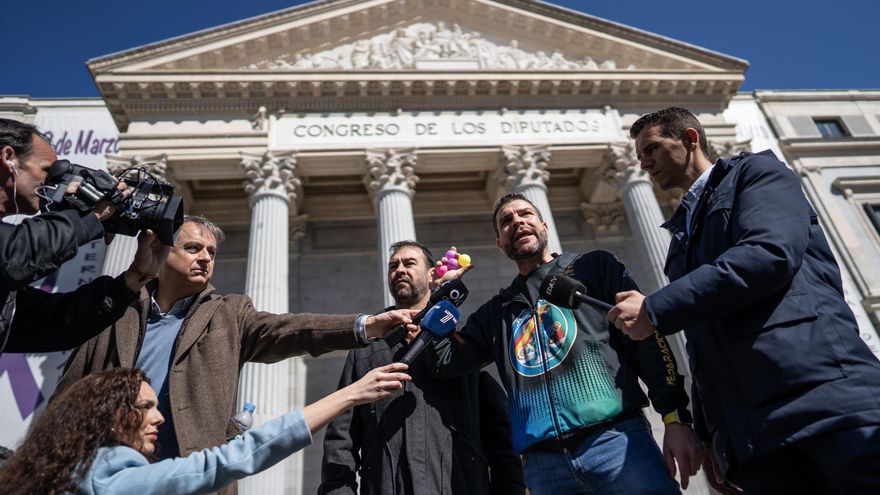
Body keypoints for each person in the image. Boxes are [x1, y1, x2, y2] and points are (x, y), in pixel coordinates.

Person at [611, 106, 880, 495]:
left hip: (825, 403)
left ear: (690, 139)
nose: (644, 162)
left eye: (651, 148)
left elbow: (768, 255)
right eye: (638, 156)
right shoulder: (680, 241)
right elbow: (703, 343)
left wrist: (655, 308)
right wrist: (712, 435)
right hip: (758, 438)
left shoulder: (757, 174)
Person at [52, 215, 416, 481]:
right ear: (162, 252)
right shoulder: (114, 307)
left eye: (211, 252)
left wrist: (366, 325)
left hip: (193, 473)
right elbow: (69, 393)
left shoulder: (228, 313)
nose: (206, 258)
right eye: (193, 248)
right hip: (108, 468)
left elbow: (292, 329)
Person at [427, 193, 703, 495]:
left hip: (618, 442)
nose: (517, 222)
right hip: (543, 466)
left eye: (525, 214)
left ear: (543, 225)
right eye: (506, 221)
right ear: (499, 244)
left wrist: (675, 417)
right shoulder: (497, 313)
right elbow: (445, 360)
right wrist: (442, 295)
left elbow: (647, 342)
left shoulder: (595, 268)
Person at [0, 364, 411, 494]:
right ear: (108, 415)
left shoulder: (59, 473)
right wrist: (350, 394)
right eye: (145, 407)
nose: (159, 417)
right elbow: (230, 460)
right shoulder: (114, 482)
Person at [319, 240, 525, 495]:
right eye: (393, 265)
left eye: (409, 263)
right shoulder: (367, 351)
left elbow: (502, 445)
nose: (400, 269)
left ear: (431, 275)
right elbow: (341, 438)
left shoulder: (460, 345)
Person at [0, 118, 166, 354]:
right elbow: (16, 257)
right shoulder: (13, 251)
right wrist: (90, 216)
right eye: (47, 170)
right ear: (9, 158)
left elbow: (52, 324)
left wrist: (133, 278)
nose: (51, 182)